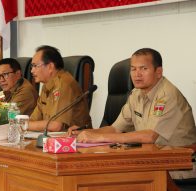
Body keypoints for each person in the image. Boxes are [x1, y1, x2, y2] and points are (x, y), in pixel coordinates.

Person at [68, 48, 196, 179]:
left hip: (179, 164)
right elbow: (116, 129)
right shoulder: (136, 94)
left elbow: (149, 136)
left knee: (112, 176)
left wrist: (100, 138)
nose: (137, 74)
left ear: (158, 72)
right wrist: (87, 133)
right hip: (153, 160)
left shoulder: (167, 95)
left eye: (143, 69)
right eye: (133, 69)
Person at [29, 45, 92, 132]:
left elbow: (56, 126)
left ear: (50, 66)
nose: (32, 70)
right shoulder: (46, 86)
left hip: (76, 141)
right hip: (53, 140)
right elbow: (33, 120)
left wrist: (23, 125)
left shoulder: (64, 84)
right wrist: (24, 124)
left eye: (35, 66)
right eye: (32, 66)